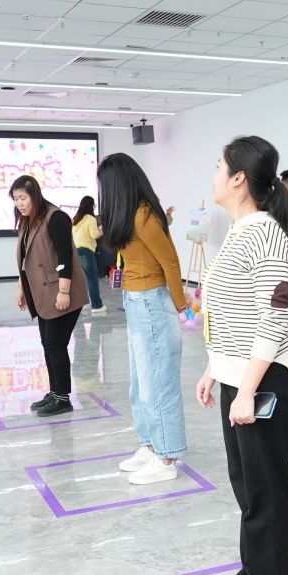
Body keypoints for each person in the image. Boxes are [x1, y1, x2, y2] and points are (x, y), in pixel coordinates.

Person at [195, 135, 288, 575]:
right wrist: (214, 369)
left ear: (239, 178)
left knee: (265, 489)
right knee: (247, 485)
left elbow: (275, 316)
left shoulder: (266, 234)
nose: (213, 174)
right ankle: (256, 571)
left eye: (219, 167)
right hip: (239, 375)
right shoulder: (242, 230)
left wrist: (244, 389)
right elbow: (230, 313)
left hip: (265, 379)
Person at [99, 153, 188, 485]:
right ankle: (150, 445)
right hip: (136, 300)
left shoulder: (143, 215)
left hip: (152, 301)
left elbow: (170, 261)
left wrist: (181, 304)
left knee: (158, 385)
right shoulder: (129, 215)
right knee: (140, 384)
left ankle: (166, 457)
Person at [13, 175, 88, 418]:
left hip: (62, 291)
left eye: (23, 198)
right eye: (15, 199)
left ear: (34, 195)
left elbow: (65, 258)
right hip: (42, 293)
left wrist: (64, 292)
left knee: (56, 344)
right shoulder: (28, 220)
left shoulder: (56, 218)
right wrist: (21, 287)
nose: (19, 203)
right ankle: (55, 392)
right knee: (48, 344)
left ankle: (62, 398)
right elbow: (27, 260)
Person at [71, 195, 105, 316]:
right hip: (86, 252)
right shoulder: (90, 218)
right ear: (91, 206)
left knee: (80, 280)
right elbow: (94, 235)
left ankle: (82, 304)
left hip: (75, 252)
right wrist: (102, 230)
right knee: (92, 279)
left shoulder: (76, 219)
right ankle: (97, 305)